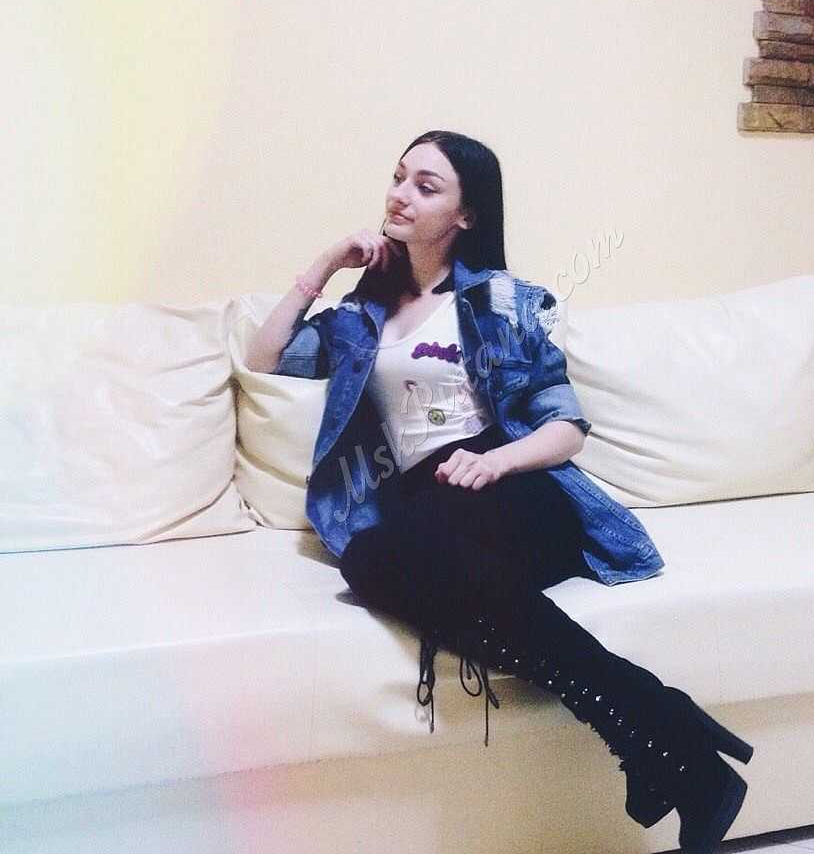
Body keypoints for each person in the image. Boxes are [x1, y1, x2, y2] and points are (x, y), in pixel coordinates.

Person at [247, 130, 754, 853]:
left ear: (466, 215)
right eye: (399, 177)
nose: (400, 194)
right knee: (364, 559)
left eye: (426, 186)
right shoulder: (362, 316)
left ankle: (661, 743)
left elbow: (566, 428)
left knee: (420, 542)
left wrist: (497, 463)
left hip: (517, 494)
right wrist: (328, 262)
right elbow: (266, 357)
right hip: (431, 512)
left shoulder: (503, 302)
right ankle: (665, 730)